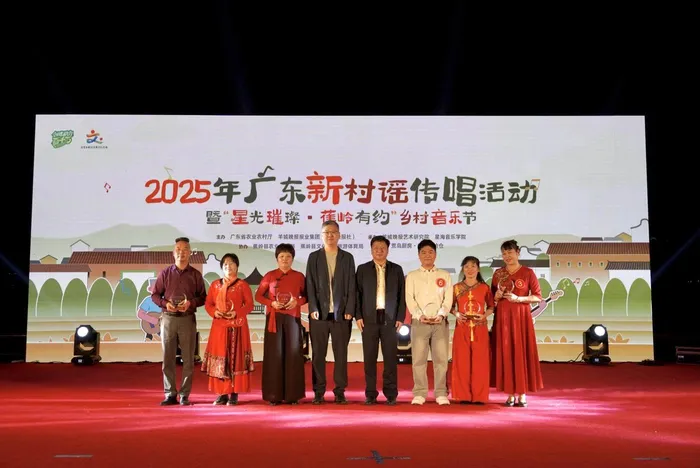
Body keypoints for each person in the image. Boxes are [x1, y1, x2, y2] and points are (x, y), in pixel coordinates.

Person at [305, 220, 356, 404]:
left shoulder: (347, 258)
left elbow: (351, 285)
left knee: (341, 354)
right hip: (319, 314)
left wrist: (350, 309)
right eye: (327, 232)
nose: (330, 235)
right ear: (321, 236)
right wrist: (312, 308)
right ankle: (318, 391)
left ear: (339, 235)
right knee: (318, 354)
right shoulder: (314, 257)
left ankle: (339, 391)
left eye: (333, 232)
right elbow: (310, 284)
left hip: (341, 314)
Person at [150, 237, 207, 406]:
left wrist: (191, 303)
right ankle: (170, 393)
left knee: (188, 359)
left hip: (187, 319)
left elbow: (203, 297)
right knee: (168, 358)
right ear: (173, 253)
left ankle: (184, 394)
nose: (181, 252)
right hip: (168, 319)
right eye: (178, 249)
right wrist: (165, 304)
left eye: (185, 249)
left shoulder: (196, 275)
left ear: (190, 253)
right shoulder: (165, 273)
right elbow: (155, 295)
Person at [490, 239, 544, 407]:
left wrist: (518, 298)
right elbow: (492, 299)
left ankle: (522, 394)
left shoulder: (527, 272)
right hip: (503, 318)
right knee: (506, 352)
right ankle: (510, 394)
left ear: (518, 253)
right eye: (504, 253)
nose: (507, 256)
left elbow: (538, 297)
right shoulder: (498, 274)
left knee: (520, 352)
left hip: (521, 319)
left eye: (510, 252)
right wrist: (497, 296)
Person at [355, 235, 406, 405]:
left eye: (382, 248)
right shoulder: (362, 269)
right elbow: (357, 294)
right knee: (369, 358)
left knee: (390, 358)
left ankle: (391, 393)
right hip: (368, 319)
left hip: (390, 319)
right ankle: (370, 393)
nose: (379, 251)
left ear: (388, 250)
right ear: (371, 250)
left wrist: (400, 317)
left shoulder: (396, 269)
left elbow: (402, 295)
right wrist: (358, 316)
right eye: (376, 248)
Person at [256, 243, 308, 405]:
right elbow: (258, 296)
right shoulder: (270, 276)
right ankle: (274, 395)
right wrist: (271, 303)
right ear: (277, 259)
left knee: (293, 355)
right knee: (274, 355)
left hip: (293, 319)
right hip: (274, 319)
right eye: (281, 257)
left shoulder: (299, 276)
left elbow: (307, 297)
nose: (285, 259)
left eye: (288, 257)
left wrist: (297, 302)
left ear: (293, 259)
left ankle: (293, 395)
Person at [201, 253, 255, 405]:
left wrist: (237, 312)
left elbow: (249, 305)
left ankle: (234, 393)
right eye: (225, 264)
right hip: (219, 328)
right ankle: (222, 393)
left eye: (231, 263)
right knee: (221, 359)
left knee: (236, 359)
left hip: (237, 327)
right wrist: (214, 312)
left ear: (237, 266)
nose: (228, 266)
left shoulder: (242, 285)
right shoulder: (215, 285)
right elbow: (208, 304)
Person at [405, 239, 453, 406]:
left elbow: (448, 298)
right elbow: (409, 298)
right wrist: (419, 315)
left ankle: (440, 393)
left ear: (435, 255)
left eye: (430, 252)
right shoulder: (412, 276)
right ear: (418, 255)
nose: (427, 255)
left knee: (441, 360)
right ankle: (419, 392)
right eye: (423, 252)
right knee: (419, 359)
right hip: (420, 322)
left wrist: (441, 314)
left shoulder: (444, 275)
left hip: (440, 322)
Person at [450, 256, 494, 405]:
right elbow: (450, 307)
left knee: (480, 362)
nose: (470, 269)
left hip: (480, 328)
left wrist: (484, 315)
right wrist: (456, 314)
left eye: (473, 266)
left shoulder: (484, 288)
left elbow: (491, 306)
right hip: (462, 328)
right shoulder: (456, 288)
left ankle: (479, 396)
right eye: (466, 266)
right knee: (461, 362)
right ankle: (463, 395)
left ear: (478, 269)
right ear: (463, 269)